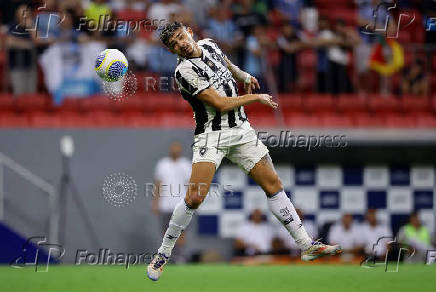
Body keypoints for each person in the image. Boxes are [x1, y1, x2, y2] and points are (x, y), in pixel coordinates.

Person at [147, 21, 342, 281]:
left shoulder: (210, 45)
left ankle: (306, 245)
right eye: (174, 44)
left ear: (190, 33)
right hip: (211, 135)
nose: (180, 44)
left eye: (181, 37)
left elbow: (227, 65)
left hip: (241, 130)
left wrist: (244, 77)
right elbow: (220, 103)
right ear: (172, 51)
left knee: (273, 183)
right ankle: (163, 253)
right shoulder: (183, 72)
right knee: (194, 198)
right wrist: (256, 97)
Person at [152, 141, 191, 263]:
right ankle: (166, 257)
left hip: (182, 205)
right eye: (173, 148)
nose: (175, 150)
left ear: (180, 150)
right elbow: (157, 184)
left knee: (181, 232)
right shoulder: (162, 164)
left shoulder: (186, 164)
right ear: (170, 150)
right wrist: (155, 202)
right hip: (165, 205)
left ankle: (180, 257)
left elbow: (190, 184)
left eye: (177, 148)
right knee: (166, 232)